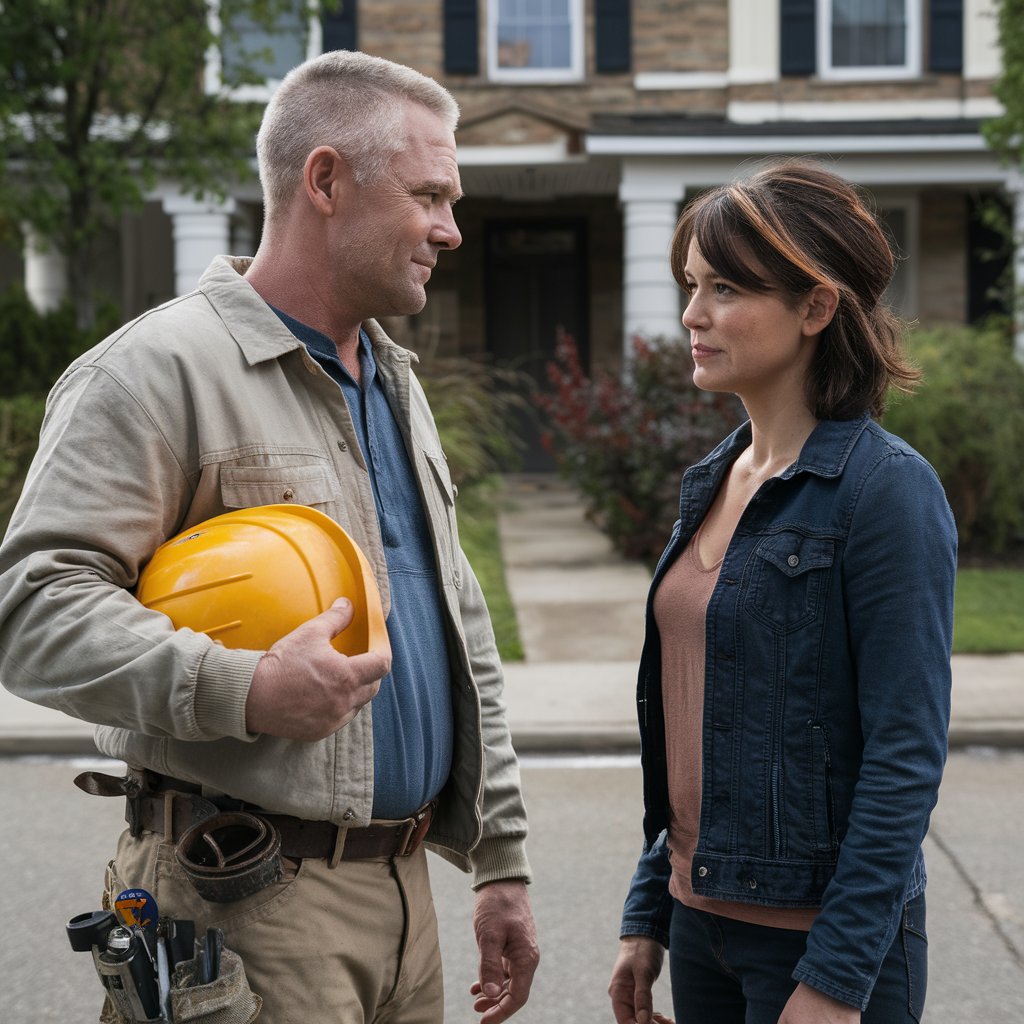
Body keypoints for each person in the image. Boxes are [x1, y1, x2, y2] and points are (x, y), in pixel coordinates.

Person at [0, 51, 539, 1023]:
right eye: (429, 195)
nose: (450, 231)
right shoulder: (155, 371)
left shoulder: (393, 381)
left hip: (406, 898)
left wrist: (500, 859)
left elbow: (461, 627)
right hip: (245, 903)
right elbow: (33, 609)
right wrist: (241, 689)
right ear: (325, 179)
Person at [607, 160, 956, 1024]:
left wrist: (837, 979)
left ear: (815, 307)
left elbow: (904, 755)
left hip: (820, 946)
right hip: (702, 930)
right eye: (691, 284)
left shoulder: (885, 492)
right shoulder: (714, 480)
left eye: (726, 287)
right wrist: (650, 912)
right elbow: (699, 726)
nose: (693, 315)